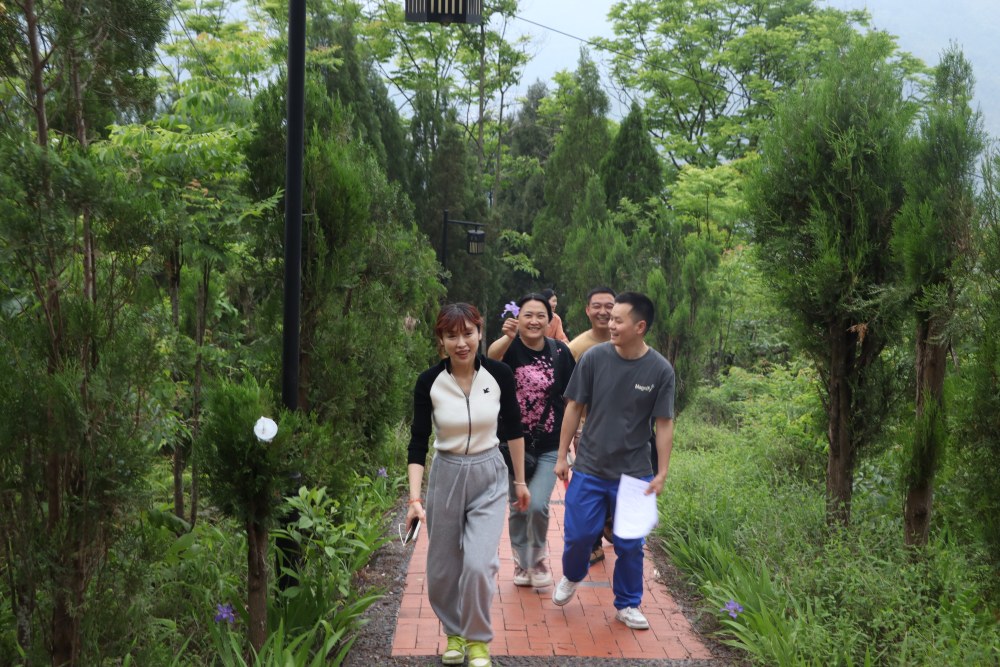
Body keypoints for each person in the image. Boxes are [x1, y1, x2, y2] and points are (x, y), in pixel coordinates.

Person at [407, 303, 531, 667]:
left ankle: (477, 641)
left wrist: (520, 481)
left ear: (479, 333)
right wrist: (414, 499)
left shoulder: (500, 374)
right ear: (441, 340)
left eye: (468, 333)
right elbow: (417, 441)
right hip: (446, 474)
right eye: (452, 336)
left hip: (488, 474)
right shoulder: (429, 382)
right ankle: (455, 633)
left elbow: (514, 429)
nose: (461, 343)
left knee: (479, 564)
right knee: (442, 569)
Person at [551, 292, 676, 631]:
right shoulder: (594, 358)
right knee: (579, 536)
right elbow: (574, 407)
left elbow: (664, 423)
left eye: (619, 320)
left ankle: (628, 603)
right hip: (589, 467)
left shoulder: (660, 370)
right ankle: (572, 575)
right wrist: (562, 456)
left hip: (635, 473)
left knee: (631, 544)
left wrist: (662, 472)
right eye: (610, 318)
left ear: (640, 326)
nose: (611, 324)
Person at [487, 293, 576, 589]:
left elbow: (572, 400)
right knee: (518, 505)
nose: (534, 321)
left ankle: (536, 559)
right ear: (518, 319)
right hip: (511, 444)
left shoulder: (560, 352)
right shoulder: (510, 349)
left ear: (550, 321)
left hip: (550, 443)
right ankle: (521, 563)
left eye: (541, 315)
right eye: (528, 315)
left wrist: (571, 443)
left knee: (537, 504)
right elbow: (489, 360)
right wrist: (507, 337)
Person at [566, 286, 618, 565]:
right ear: (587, 310)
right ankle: (595, 542)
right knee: (592, 485)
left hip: (623, 429)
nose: (603, 311)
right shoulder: (576, 348)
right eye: (596, 306)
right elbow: (570, 397)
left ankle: (609, 520)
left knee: (618, 480)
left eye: (609, 305)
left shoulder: (628, 341)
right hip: (587, 428)